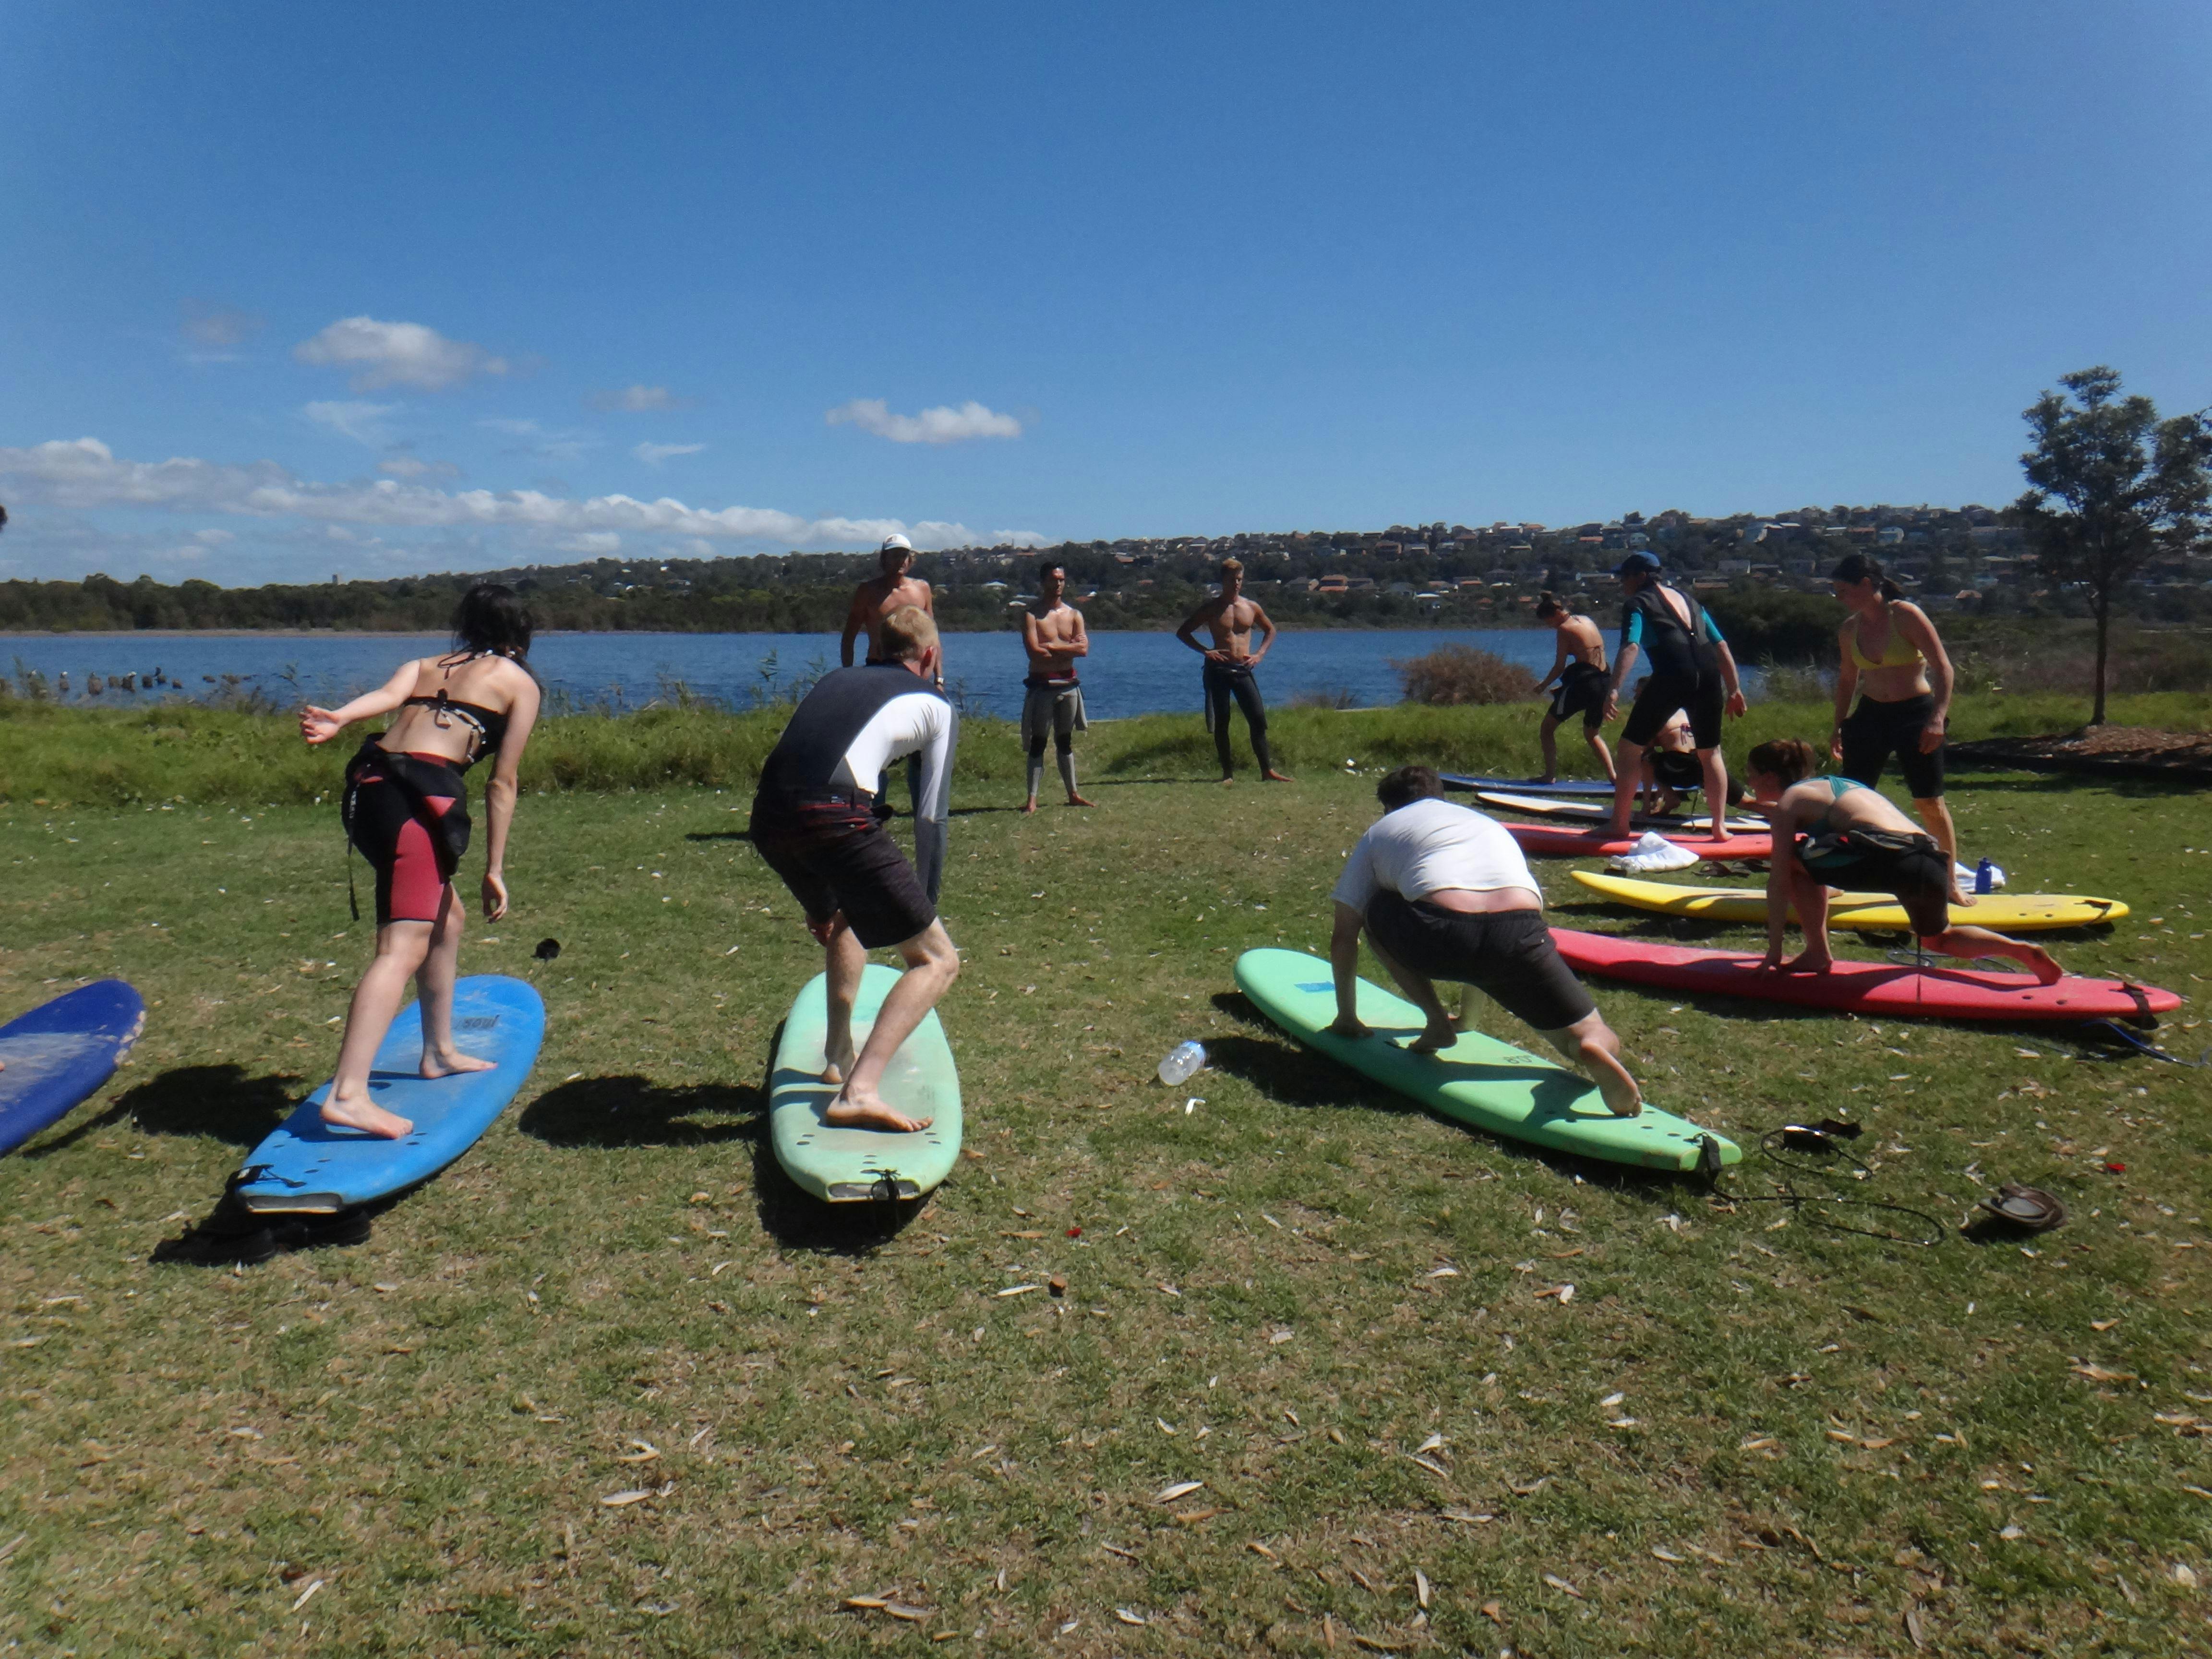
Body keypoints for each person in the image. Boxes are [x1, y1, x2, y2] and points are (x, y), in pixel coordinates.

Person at [299, 584, 543, 1138]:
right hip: (412, 806)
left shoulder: (425, 664)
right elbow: (502, 783)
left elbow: (385, 700)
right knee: (400, 948)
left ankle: (438, 1050)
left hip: (369, 792)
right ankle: (349, 1095)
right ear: (522, 632)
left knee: (445, 917)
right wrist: (495, 868)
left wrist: (337, 719)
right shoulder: (519, 683)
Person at [1324, 765, 1643, 1117]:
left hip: (1441, 931)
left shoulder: (1381, 831)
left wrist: (1347, 1017)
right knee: (1587, 1028)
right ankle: (1592, 1044)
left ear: (1388, 807)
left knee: (1374, 909)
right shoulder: (1484, 824)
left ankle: (1437, 1023)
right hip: (1520, 932)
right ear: (1440, 797)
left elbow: (1344, 935)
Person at [750, 605, 960, 1131]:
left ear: (877, 651)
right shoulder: (936, 703)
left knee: (844, 908)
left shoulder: (838, 678)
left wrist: (818, 901)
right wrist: (924, 903)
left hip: (769, 815)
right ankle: (857, 1091)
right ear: (930, 655)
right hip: (833, 815)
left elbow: (806, 758)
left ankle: (838, 1055)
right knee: (937, 961)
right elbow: (931, 815)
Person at [1744, 739, 2060, 984]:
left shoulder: (1789, 803)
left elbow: (1779, 880)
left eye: (1752, 776)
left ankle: (1817, 953)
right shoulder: (1840, 786)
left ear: (1770, 777)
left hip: (1893, 858)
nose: (1750, 784)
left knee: (1795, 864)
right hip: (1931, 859)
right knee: (1939, 938)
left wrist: (1774, 949)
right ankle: (2020, 951)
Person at [1828, 552, 1969, 903]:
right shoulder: (1849, 629)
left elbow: (1943, 667)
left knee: (1929, 802)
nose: (1839, 597)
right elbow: (1848, 680)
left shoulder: (1905, 615)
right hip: (1871, 714)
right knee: (1851, 800)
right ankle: (1841, 875)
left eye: (1843, 590)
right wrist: (1838, 726)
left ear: (1865, 584)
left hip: (1915, 713)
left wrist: (1938, 718)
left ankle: (1948, 881)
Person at [1602, 552, 1746, 841]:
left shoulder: (1637, 604)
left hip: (1672, 676)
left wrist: (1614, 688)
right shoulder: (1690, 600)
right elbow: (1721, 646)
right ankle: (1719, 828)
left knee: (1631, 748)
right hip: (1708, 677)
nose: (1621, 583)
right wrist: (1735, 690)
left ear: (1640, 576)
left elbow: (1631, 646)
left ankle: (1619, 825)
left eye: (1624, 576)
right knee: (1710, 752)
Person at [840, 533, 949, 819]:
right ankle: (875, 810)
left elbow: (933, 638)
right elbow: (849, 635)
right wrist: (849, 675)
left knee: (921, 749)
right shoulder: (868, 591)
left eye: (904, 555)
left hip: (916, 676)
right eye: (893, 555)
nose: (899, 561)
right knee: (879, 744)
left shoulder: (922, 589)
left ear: (911, 560)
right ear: (883, 559)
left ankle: (923, 811)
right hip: (879, 670)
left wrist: (939, 678)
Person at [1175, 557, 1291, 783]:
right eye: (1232, 580)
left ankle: (1267, 770)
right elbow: (1184, 632)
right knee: (1223, 720)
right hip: (1218, 669)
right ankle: (1227, 774)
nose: (1236, 584)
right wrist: (1206, 651)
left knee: (1257, 718)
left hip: (1243, 668)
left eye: (1239, 579)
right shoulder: (1212, 608)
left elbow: (1271, 630)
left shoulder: (1251, 607)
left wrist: (1259, 655)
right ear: (1223, 581)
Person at [1019, 558, 1094, 813]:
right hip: (1042, 687)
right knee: (1038, 742)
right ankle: (1032, 798)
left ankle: (1073, 793)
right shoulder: (1032, 615)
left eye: (1061, 579)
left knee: (1065, 740)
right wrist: (1067, 649)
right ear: (1044, 582)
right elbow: (1035, 653)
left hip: (1068, 685)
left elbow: (1084, 650)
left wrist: (1053, 646)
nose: (1058, 584)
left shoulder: (1074, 615)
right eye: (1054, 579)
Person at [1529, 592, 1614, 783]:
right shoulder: (1587, 620)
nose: (1550, 626)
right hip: (1604, 681)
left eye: (1548, 622)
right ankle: (1613, 776)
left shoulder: (1564, 629)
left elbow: (1560, 666)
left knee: (1547, 729)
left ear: (1553, 616)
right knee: (1592, 734)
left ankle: (1549, 776)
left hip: (1586, 685)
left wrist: (1543, 685)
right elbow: (1589, 657)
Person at [1641, 710, 1747, 816]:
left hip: (1678, 770)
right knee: (1745, 801)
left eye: (1637, 692)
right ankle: (1762, 806)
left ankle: (1653, 805)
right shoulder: (1688, 712)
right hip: (1703, 769)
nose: (1635, 695)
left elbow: (1647, 752)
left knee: (1646, 758)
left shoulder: (1655, 714)